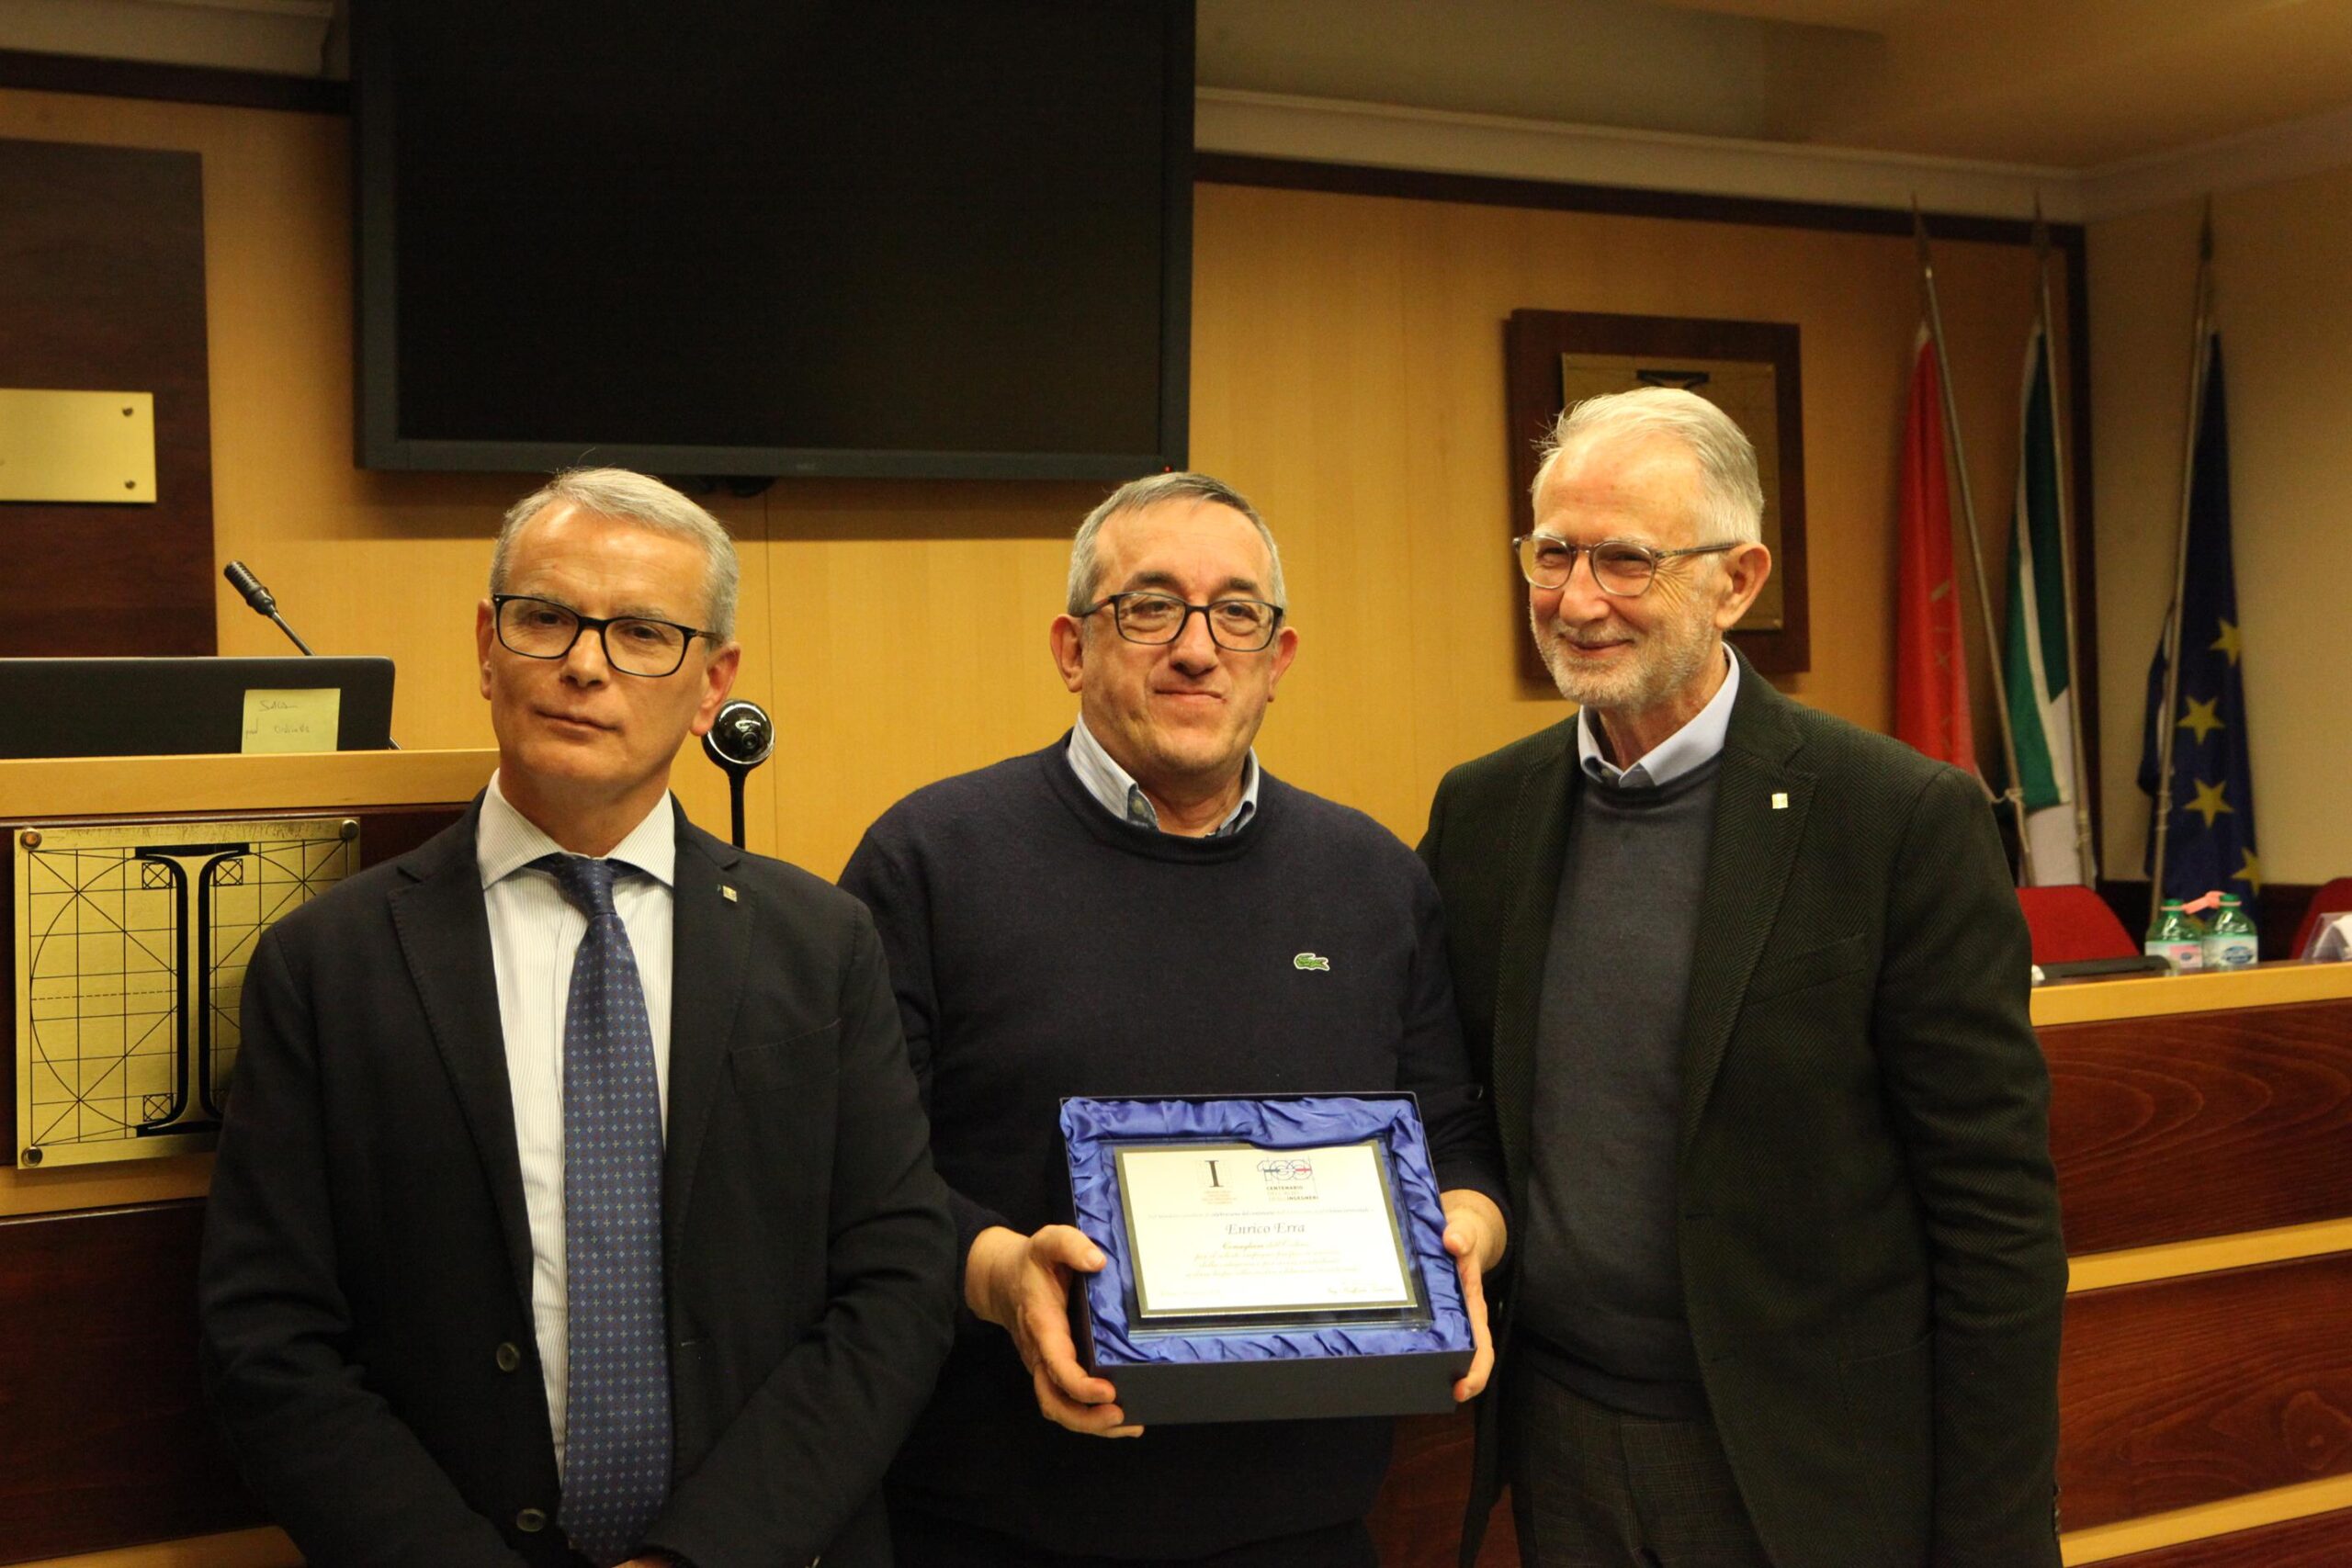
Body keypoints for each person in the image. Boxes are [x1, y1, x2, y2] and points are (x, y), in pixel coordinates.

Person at [198, 468, 957, 1568]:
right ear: (487, 646)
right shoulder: (329, 965)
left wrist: (701, 1556)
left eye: (643, 633)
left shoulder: (822, 945)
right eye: (546, 618)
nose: (586, 665)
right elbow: (268, 1334)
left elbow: (896, 1287)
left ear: (712, 684)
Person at [1419, 389, 2066, 1568]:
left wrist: (1993, 1538)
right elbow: (1451, 1101)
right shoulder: (1482, 813)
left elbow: (1995, 1220)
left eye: (1626, 560)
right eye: (1552, 554)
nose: (1577, 600)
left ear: (1738, 580)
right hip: (1558, 1444)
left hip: (1809, 1468)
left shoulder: (1897, 820)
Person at [838, 471, 1510, 1568]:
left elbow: (1455, 1140)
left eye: (1236, 613)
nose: (1197, 649)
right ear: (1072, 648)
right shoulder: (929, 859)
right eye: (1149, 608)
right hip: (993, 1517)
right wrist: (999, 1271)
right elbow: (860, 1174)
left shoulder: (1373, 878)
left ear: (1277, 659)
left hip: (1304, 1523)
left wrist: (1465, 1237)